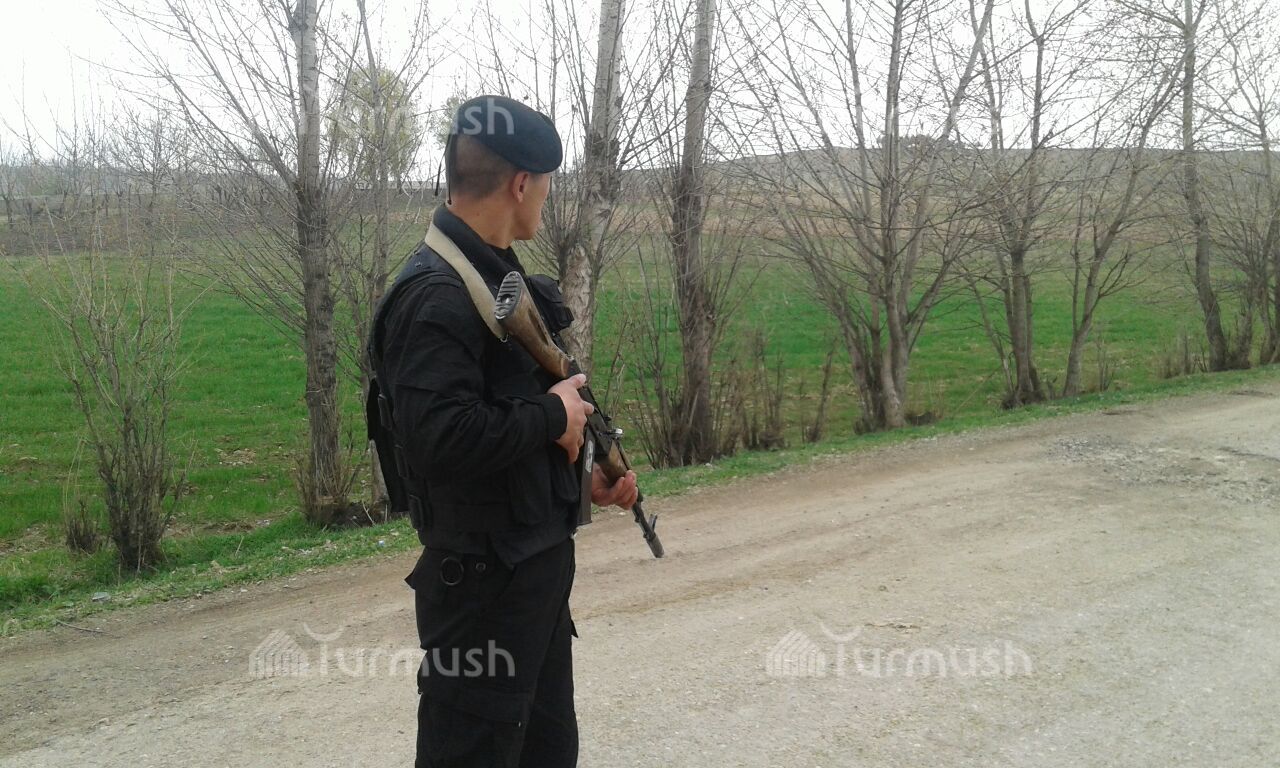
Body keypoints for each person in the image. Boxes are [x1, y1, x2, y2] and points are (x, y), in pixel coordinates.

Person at [367, 95, 639, 768]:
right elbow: (439, 438)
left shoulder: (497, 272)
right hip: (481, 594)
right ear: (521, 184)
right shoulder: (435, 296)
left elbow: (509, 413)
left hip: (531, 579)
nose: (545, 196)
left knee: (547, 751)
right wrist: (553, 416)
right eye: (544, 183)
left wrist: (579, 472)